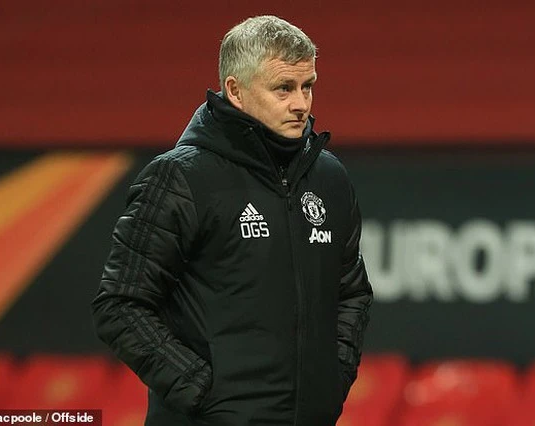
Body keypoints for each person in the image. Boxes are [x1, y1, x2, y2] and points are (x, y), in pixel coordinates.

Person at [92, 15, 373, 426]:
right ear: (236, 91)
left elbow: (352, 293)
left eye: (307, 86)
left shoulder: (330, 177)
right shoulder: (181, 177)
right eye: (283, 88)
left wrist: (332, 379)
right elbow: (119, 303)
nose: (301, 104)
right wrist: (203, 392)